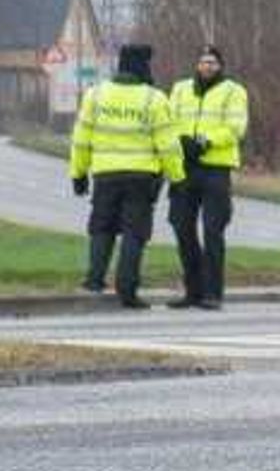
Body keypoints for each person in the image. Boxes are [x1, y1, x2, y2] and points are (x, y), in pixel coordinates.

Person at [67, 43, 177, 307]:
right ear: (144, 67)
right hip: (141, 178)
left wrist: (78, 173)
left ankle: (94, 279)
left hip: (105, 175)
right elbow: (168, 145)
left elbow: (81, 139)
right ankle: (126, 290)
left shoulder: (95, 95)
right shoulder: (154, 98)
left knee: (102, 227)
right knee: (134, 233)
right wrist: (177, 177)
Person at [166, 45, 249, 309]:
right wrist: (182, 142)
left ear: (220, 66)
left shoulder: (233, 91)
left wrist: (205, 142)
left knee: (213, 230)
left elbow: (236, 127)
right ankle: (193, 290)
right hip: (184, 166)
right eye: (203, 61)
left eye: (212, 62)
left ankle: (213, 293)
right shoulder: (180, 89)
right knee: (181, 227)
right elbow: (168, 120)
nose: (207, 66)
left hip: (215, 167)